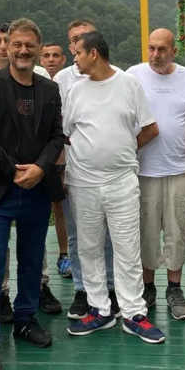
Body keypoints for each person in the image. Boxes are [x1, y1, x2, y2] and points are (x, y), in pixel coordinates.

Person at [0, 19, 65, 370]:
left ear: (38, 49)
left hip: (36, 189)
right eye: (17, 44)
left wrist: (39, 168)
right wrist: (13, 171)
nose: (23, 51)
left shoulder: (49, 89)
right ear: (7, 47)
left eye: (29, 45)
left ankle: (25, 319)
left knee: (32, 261)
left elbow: (57, 136)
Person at [64, 31, 165, 343]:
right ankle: (100, 310)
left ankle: (134, 314)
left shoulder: (128, 84)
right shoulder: (75, 90)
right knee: (89, 248)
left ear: (93, 53)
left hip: (122, 181)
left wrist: (124, 149)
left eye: (78, 53)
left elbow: (150, 129)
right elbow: (66, 134)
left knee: (127, 248)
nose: (75, 59)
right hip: (83, 183)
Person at [126, 29, 185, 320]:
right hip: (144, 169)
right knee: (146, 229)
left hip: (180, 167)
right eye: (151, 48)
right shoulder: (133, 76)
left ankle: (174, 288)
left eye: (162, 49)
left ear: (174, 51)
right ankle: (148, 287)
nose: (156, 55)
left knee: (177, 229)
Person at [54, 20, 117, 320]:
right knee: (78, 234)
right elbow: (59, 128)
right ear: (71, 46)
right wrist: (61, 166)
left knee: (109, 236)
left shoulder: (119, 78)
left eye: (85, 38)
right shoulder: (63, 80)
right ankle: (82, 290)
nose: (80, 43)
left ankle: (110, 288)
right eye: (75, 39)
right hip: (74, 171)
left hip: (110, 173)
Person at [39, 43, 70, 276]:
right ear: (40, 59)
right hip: (46, 158)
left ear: (63, 59)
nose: (51, 60)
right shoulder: (36, 85)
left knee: (75, 208)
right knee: (56, 207)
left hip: (71, 155)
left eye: (55, 56)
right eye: (47, 56)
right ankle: (64, 254)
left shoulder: (70, 82)